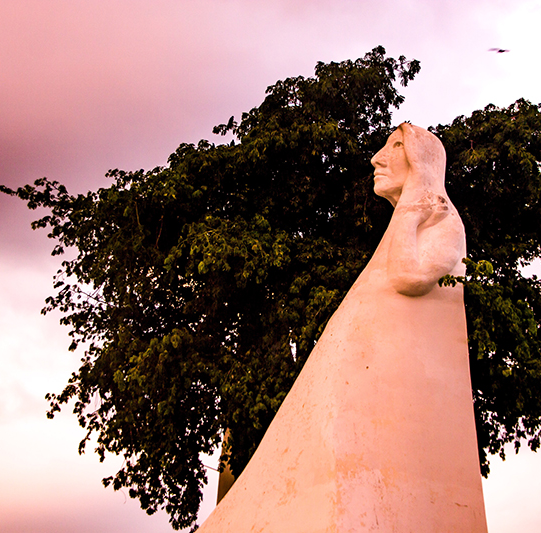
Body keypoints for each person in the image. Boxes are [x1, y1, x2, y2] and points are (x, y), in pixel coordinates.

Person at [198, 124, 487, 533]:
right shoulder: (414, 218)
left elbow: (410, 277)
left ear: (419, 161)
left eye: (395, 148)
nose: (377, 158)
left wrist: (408, 216)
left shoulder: (438, 219)